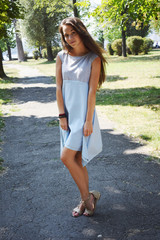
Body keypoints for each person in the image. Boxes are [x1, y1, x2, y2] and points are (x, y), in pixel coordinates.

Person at [56, 17, 107, 217]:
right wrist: (61, 116)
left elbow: (92, 92)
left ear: (81, 31)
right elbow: (59, 87)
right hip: (67, 116)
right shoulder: (61, 57)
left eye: (72, 33)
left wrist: (88, 121)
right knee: (76, 158)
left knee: (66, 157)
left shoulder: (94, 59)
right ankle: (88, 197)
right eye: (65, 35)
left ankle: (86, 199)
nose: (69, 38)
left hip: (84, 117)